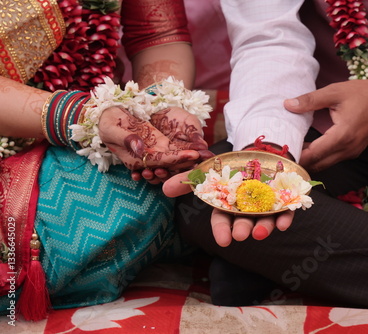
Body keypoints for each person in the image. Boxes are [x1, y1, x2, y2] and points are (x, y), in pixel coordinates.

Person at [163, 0, 368, 312]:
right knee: (207, 197)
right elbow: (269, 38)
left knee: (259, 236)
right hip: (330, 135)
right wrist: (268, 154)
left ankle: (329, 251)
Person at [0, 0, 212, 321]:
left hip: (85, 140)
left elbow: (157, 34)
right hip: (68, 122)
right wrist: (84, 116)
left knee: (147, 191)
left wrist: (162, 108)